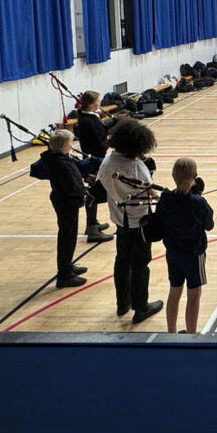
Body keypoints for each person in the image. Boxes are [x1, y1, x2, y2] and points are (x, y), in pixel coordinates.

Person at [96, 119, 164, 324]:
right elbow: (150, 191)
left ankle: (122, 303)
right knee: (141, 264)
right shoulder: (136, 167)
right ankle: (141, 307)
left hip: (119, 219)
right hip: (138, 222)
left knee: (122, 261)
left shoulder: (107, 162)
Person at [156, 158, 214, 334]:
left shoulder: (165, 199)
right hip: (194, 254)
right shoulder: (197, 202)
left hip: (172, 253)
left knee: (174, 291)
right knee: (194, 295)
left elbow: (159, 222)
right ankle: (191, 334)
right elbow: (209, 225)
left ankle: (171, 333)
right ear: (195, 177)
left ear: (173, 176)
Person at [40, 129, 88, 288]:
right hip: (66, 202)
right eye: (69, 142)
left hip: (65, 201)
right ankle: (64, 275)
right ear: (63, 145)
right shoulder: (60, 164)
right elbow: (71, 186)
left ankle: (68, 265)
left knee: (70, 235)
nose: (72, 145)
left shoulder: (59, 158)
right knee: (67, 237)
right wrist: (85, 193)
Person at [76, 90, 116, 243]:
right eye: (97, 101)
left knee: (95, 190)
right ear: (92, 104)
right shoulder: (86, 121)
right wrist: (112, 142)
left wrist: (113, 123)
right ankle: (91, 227)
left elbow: (101, 130)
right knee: (94, 192)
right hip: (94, 159)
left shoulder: (91, 117)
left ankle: (93, 222)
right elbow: (99, 141)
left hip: (97, 157)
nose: (99, 104)